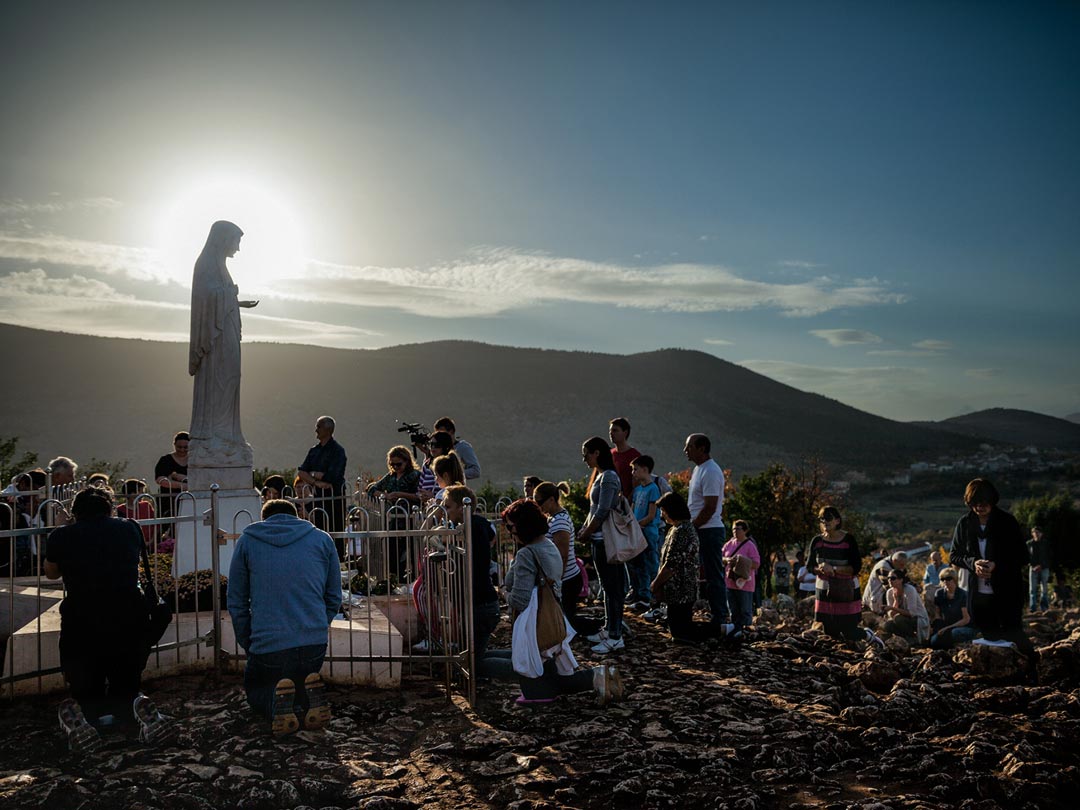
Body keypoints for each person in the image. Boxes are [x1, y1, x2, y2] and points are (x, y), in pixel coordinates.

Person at [44, 487, 173, 751]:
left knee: (85, 676)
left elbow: (51, 573)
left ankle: (88, 717)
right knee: (125, 674)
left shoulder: (62, 535)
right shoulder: (129, 528)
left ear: (75, 512)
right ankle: (133, 709)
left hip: (82, 614)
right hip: (129, 612)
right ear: (110, 507)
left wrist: (62, 528)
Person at [481, 498, 623, 705]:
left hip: (533, 624)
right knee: (548, 676)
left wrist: (503, 593)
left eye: (511, 526)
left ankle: (475, 664)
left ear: (523, 525)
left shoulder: (527, 554)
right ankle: (598, 675)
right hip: (551, 619)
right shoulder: (547, 545)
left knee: (527, 671)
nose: (509, 532)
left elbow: (519, 600)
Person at [227, 498, 341, 736]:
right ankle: (305, 702)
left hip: (269, 646)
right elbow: (333, 596)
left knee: (256, 687)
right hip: (314, 646)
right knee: (297, 682)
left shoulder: (248, 541)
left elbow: (236, 602)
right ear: (297, 515)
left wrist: (249, 643)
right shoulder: (322, 539)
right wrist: (319, 626)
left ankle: (276, 705)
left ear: (264, 519)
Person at [188, 220, 257, 468]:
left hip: (227, 334)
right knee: (218, 381)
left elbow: (217, 295)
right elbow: (203, 297)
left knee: (231, 379)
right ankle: (213, 435)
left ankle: (228, 433)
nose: (238, 248)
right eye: (236, 241)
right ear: (223, 239)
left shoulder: (221, 266)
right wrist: (231, 294)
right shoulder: (205, 264)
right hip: (215, 341)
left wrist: (236, 301)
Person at [949, 478, 1036, 672]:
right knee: (990, 636)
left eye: (984, 503)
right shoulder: (964, 523)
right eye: (975, 504)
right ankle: (1000, 676)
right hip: (980, 594)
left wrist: (997, 564)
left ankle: (1033, 669)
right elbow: (955, 555)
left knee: (1014, 634)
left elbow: (1022, 556)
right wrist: (973, 563)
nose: (980, 507)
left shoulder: (1007, 522)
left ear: (992, 501)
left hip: (1007, 590)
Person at [652, 492, 732, 644]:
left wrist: (656, 583)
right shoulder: (676, 529)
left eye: (663, 511)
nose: (662, 515)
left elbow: (671, 564)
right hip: (678, 588)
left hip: (681, 588)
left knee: (680, 632)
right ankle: (719, 630)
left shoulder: (683, 531)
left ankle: (721, 630)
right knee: (678, 628)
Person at [532, 481, 602, 637]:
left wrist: (556, 581)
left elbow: (561, 556)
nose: (538, 505)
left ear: (551, 500)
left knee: (567, 620)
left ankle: (601, 627)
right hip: (568, 577)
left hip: (567, 579)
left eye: (539, 501)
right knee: (566, 617)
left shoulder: (560, 522)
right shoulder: (554, 518)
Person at [576, 436, 626, 654]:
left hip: (606, 541)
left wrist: (587, 532)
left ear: (597, 453)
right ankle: (609, 628)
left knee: (613, 588)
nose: (584, 458)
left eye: (586, 453)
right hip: (599, 541)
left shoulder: (608, 478)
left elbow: (603, 510)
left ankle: (615, 635)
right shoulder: (603, 476)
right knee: (607, 587)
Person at [683, 433, 729, 628]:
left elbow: (710, 506)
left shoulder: (710, 471)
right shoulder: (698, 469)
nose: (686, 450)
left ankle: (720, 617)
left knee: (713, 575)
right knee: (694, 574)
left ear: (701, 448)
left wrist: (692, 528)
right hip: (701, 528)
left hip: (708, 530)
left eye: (689, 446)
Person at [806, 505, 868, 643]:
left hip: (846, 589)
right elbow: (809, 566)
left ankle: (868, 637)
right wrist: (820, 569)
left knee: (849, 631)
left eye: (828, 518)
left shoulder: (848, 540)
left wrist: (833, 569)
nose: (824, 522)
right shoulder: (817, 541)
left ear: (837, 521)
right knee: (830, 631)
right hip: (824, 591)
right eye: (821, 519)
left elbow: (856, 567)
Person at [298, 416, 348, 546]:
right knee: (319, 532)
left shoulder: (338, 451)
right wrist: (315, 481)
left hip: (335, 498)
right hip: (318, 498)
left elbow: (333, 476)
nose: (316, 430)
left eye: (319, 426)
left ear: (328, 430)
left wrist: (313, 474)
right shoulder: (314, 451)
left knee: (335, 533)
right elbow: (302, 472)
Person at [627, 455, 661, 610]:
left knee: (650, 564)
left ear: (645, 469)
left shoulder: (653, 489)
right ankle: (641, 596)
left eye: (636, 469)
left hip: (648, 532)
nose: (633, 472)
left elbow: (651, 515)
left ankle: (652, 598)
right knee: (637, 565)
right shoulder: (637, 490)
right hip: (637, 532)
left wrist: (636, 525)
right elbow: (632, 512)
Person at [723, 519, 760, 636]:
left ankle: (745, 632)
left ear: (745, 531)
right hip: (730, 582)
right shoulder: (729, 544)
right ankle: (735, 631)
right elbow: (721, 556)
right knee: (733, 609)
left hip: (745, 584)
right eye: (733, 529)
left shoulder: (750, 545)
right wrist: (728, 560)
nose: (735, 531)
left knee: (745, 610)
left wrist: (743, 562)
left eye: (738, 529)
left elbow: (756, 563)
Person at [929, 567, 975, 649]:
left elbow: (966, 619)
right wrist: (936, 627)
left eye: (948, 578)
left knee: (955, 633)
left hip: (964, 626)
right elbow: (937, 614)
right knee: (933, 641)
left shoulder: (963, 594)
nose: (945, 581)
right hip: (946, 625)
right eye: (942, 579)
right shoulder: (939, 593)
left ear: (954, 579)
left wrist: (947, 628)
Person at [882, 570, 930, 645]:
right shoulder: (889, 592)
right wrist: (896, 600)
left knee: (898, 619)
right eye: (888, 578)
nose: (890, 580)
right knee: (888, 624)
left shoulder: (910, 590)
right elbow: (891, 615)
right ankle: (902, 640)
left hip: (918, 618)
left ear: (901, 580)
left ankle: (913, 638)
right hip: (903, 619)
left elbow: (912, 613)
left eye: (893, 578)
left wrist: (892, 608)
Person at [154, 432, 189, 531]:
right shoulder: (165, 460)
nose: (182, 450)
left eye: (185, 447)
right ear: (174, 445)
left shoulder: (194, 460)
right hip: (167, 502)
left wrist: (178, 477)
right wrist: (183, 485)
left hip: (189, 501)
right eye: (179, 447)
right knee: (166, 527)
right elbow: (161, 480)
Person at [116, 479, 157, 548]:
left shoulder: (146, 505)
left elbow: (155, 525)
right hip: (130, 546)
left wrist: (151, 541)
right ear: (132, 493)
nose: (143, 495)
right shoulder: (120, 509)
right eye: (141, 492)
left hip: (151, 545)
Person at [608, 417, 641, 498]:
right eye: (610, 431)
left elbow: (638, 485)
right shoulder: (609, 454)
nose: (611, 433)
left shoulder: (635, 456)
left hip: (626, 504)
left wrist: (627, 503)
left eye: (615, 430)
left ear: (625, 433)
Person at [1027, 526, 1052, 612]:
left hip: (1044, 568)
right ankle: (1032, 608)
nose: (1036, 534)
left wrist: (1041, 565)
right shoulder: (1029, 544)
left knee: (1044, 588)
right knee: (1032, 589)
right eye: (1034, 532)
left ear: (1041, 534)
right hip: (1033, 568)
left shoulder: (1046, 543)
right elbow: (1026, 557)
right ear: (1032, 533)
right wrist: (1032, 565)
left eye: (1038, 532)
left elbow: (1049, 556)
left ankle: (1044, 608)